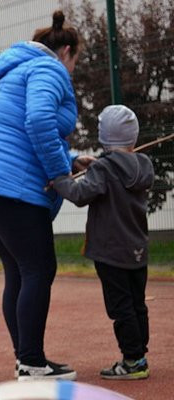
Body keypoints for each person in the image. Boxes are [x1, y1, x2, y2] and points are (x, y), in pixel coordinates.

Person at [0, 10, 90, 381]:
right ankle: (31, 361)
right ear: (66, 51)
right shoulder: (49, 71)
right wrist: (61, 176)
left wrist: (73, 158)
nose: (74, 68)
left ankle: (26, 358)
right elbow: (39, 121)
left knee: (18, 270)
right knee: (38, 268)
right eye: (76, 60)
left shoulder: (15, 72)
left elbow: (20, 133)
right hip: (11, 190)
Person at [51, 105, 154, 380]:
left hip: (110, 251)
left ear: (105, 138)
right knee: (137, 303)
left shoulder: (105, 169)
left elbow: (79, 193)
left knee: (120, 306)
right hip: (137, 249)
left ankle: (133, 360)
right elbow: (116, 177)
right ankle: (139, 353)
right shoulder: (144, 165)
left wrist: (59, 178)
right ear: (133, 137)